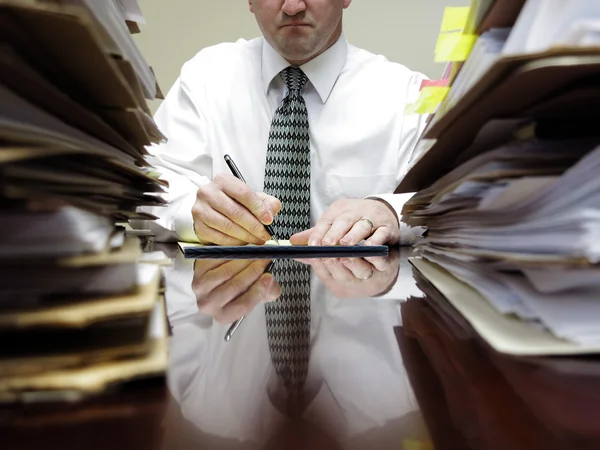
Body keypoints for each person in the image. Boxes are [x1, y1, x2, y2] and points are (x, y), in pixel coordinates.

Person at [143, 0, 428, 247]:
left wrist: (392, 211)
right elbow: (146, 188)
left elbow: (457, 204)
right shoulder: (205, 78)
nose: (293, 7)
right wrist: (190, 212)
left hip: (363, 302)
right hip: (233, 303)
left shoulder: (407, 96)